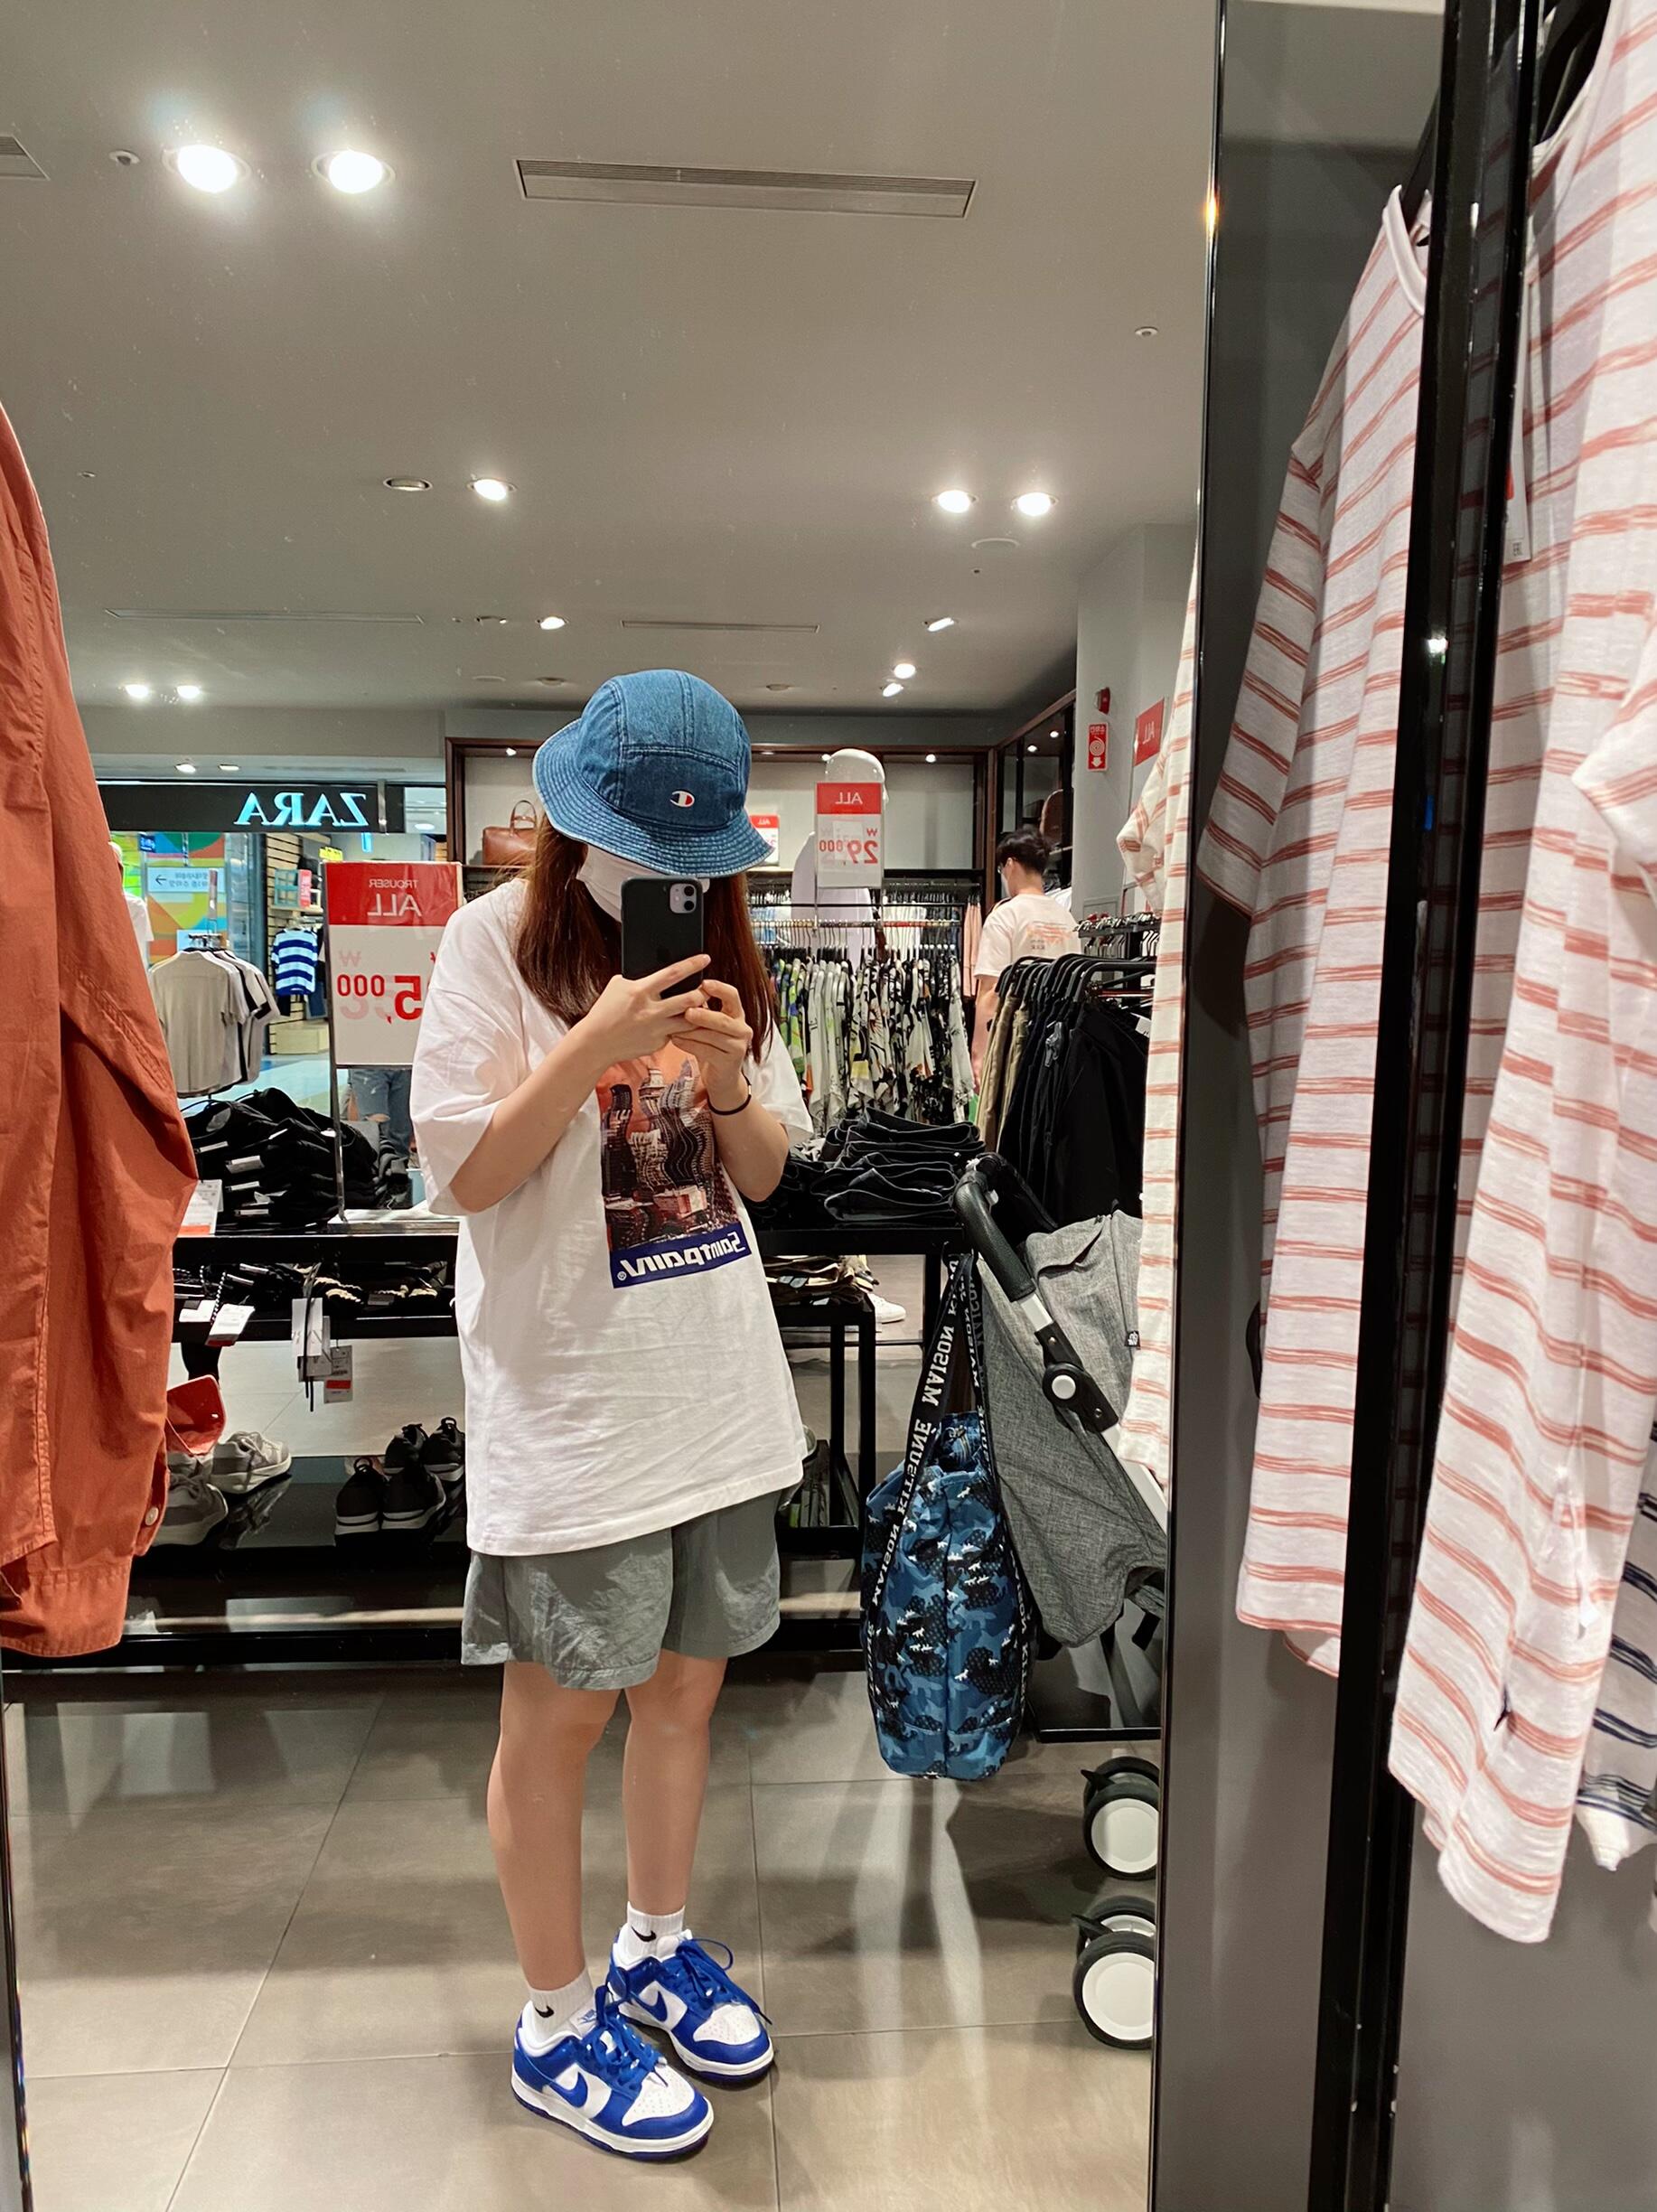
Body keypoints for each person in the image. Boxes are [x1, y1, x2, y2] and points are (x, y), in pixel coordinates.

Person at [411, 670, 810, 2161]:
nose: (672, 876)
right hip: (573, 1406)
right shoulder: (485, 946)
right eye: (648, 845)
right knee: (557, 1713)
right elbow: (466, 1173)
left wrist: (724, 1079)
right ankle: (553, 2015)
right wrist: (593, 1042)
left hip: (711, 1390)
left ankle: (654, 1940)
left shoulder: (721, 947)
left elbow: (761, 1177)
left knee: (686, 1692)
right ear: (576, 822)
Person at [970, 827, 1081, 1083]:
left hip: (1016, 1043)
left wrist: (979, 1055)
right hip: (1061, 1043)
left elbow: (990, 991)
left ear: (1010, 865)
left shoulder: (1005, 916)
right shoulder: (1067, 918)